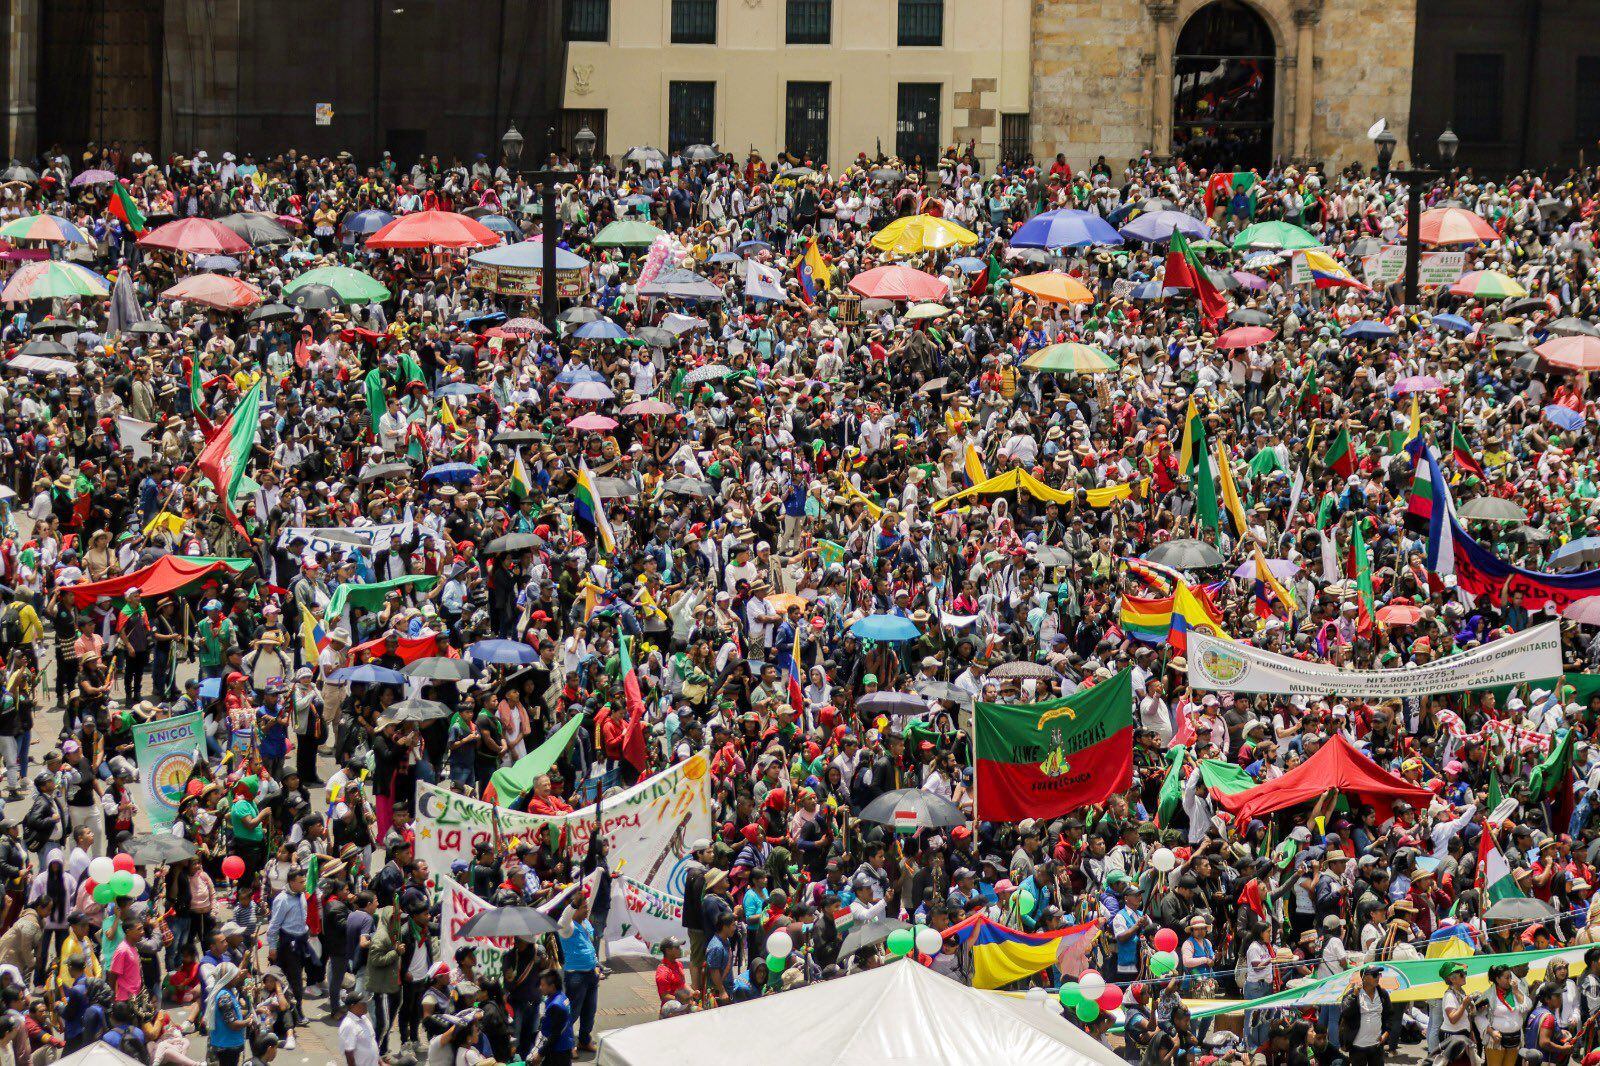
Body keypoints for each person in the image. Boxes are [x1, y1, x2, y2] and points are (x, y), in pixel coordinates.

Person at [1340, 965, 1393, 1066]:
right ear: (1364, 977)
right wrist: (1354, 996)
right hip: (1357, 1047)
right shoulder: (1353, 993)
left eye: (1379, 974)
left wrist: (1386, 1033)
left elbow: (1389, 1015)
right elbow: (1345, 1013)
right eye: (1374, 974)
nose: (1377, 977)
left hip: (1377, 1046)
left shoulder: (1383, 994)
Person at [536, 968, 576, 1066]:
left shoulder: (556, 1005)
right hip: (562, 1047)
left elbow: (555, 1035)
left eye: (543, 985)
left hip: (558, 1051)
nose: (540, 988)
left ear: (552, 986)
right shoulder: (562, 997)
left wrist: (540, 1053)